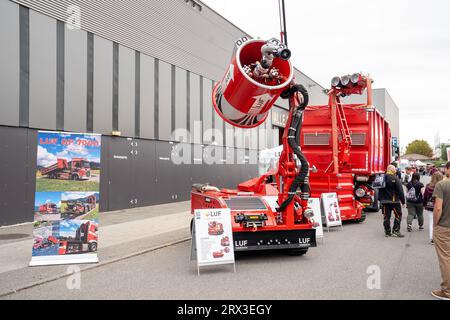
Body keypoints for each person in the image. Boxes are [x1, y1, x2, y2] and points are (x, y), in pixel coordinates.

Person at [431, 161, 450, 300]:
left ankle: (447, 291)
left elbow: (438, 208)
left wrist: (435, 224)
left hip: (444, 226)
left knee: (445, 258)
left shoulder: (442, 185)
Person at [379, 164, 406, 237]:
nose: (396, 170)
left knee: (386, 216)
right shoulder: (395, 178)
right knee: (398, 215)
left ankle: (387, 232)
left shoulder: (381, 178)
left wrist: (380, 199)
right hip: (394, 201)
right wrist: (403, 201)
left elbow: (378, 188)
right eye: (395, 169)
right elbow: (400, 191)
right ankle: (396, 231)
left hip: (384, 201)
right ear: (391, 169)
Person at [423, 171, 444, 243]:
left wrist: (424, 204)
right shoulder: (442, 186)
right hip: (440, 205)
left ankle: (432, 238)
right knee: (440, 222)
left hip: (430, 206)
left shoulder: (428, 186)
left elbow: (425, 196)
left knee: (431, 222)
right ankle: (439, 237)